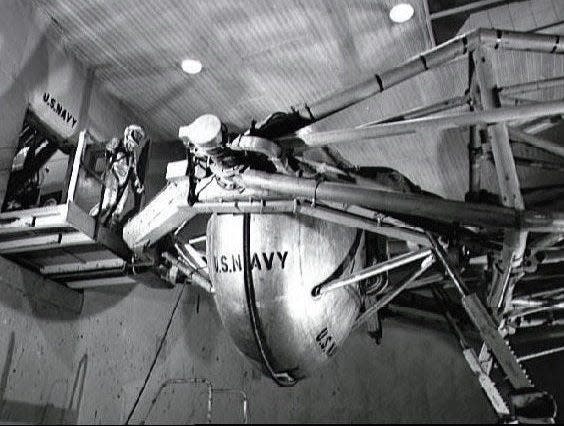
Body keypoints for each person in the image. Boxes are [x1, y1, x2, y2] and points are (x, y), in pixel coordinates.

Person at [90, 124, 145, 228]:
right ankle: (93, 216)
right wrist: (111, 150)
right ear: (128, 135)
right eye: (131, 143)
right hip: (113, 176)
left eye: (134, 144)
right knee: (108, 203)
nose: (132, 146)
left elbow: (134, 171)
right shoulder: (117, 142)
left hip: (123, 182)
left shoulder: (132, 155)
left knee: (118, 209)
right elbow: (107, 151)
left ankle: (108, 227)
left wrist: (137, 184)